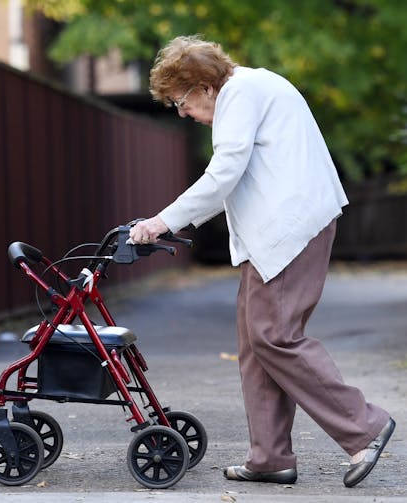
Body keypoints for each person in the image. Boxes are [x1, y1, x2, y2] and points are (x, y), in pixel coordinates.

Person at [129, 34, 394, 488]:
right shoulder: (247, 90)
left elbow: (225, 172)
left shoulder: (241, 93)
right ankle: (270, 457)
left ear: (203, 86)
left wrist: (162, 221)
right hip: (276, 237)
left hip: (291, 232)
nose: (183, 113)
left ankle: (364, 426)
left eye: (181, 101)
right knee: (255, 343)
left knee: (274, 335)